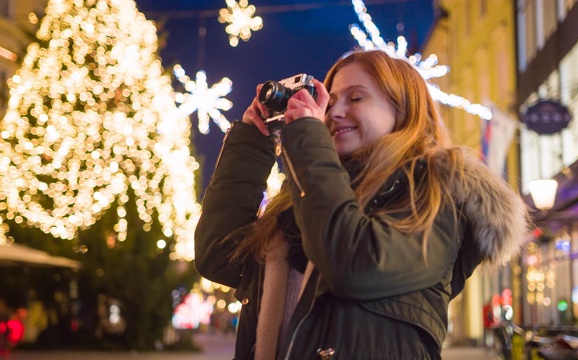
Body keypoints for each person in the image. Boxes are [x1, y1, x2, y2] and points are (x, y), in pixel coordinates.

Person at [194, 49, 530, 359]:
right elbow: (220, 255)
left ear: (403, 112)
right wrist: (254, 140)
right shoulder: (309, 195)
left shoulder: (435, 194)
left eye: (356, 98)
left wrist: (308, 142)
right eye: (331, 101)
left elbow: (351, 262)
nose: (335, 111)